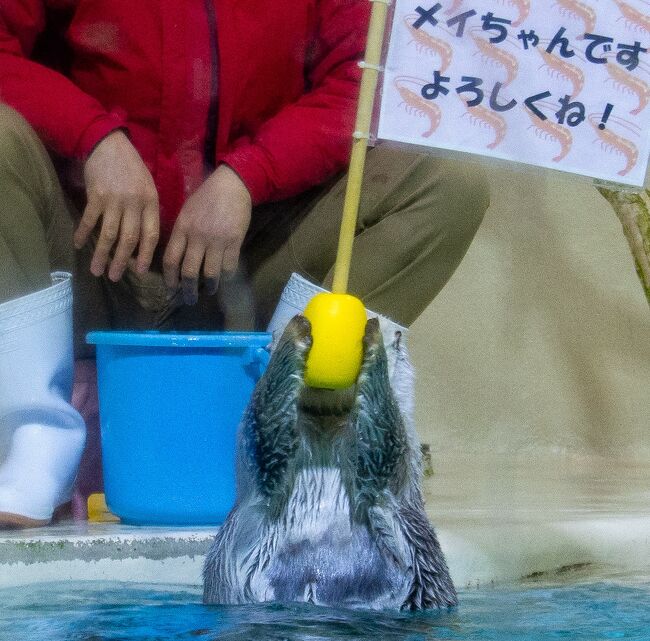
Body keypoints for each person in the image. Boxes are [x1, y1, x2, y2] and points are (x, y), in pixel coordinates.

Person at [0, 0, 489, 527]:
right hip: (91, 254)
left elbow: (363, 83)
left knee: (447, 181)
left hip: (245, 271)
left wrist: (248, 175)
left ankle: (292, 439)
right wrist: (93, 137)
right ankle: (31, 447)